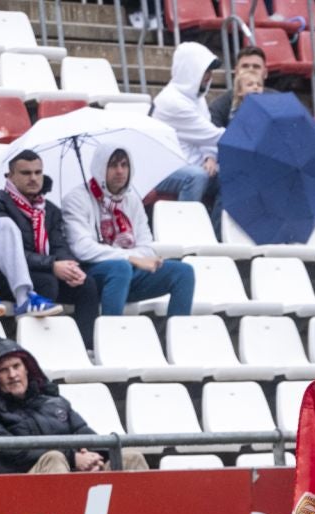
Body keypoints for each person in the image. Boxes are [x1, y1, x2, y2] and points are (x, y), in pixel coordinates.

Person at [0, 151, 103, 342]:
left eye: (38, 172)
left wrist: (69, 265)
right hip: (1, 275)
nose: (33, 178)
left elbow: (59, 244)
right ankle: (37, 344)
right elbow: (6, 252)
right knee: (46, 281)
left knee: (86, 284)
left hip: (40, 269)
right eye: (26, 173)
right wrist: (51, 265)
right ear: (9, 176)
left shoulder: (49, 209)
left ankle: (87, 348)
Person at [59, 147, 196, 321]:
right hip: (92, 273)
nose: (120, 171)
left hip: (130, 271)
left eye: (124, 165)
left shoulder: (132, 200)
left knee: (183, 272)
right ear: (101, 168)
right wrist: (131, 259)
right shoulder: (77, 199)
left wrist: (135, 259)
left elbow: (146, 246)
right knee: (120, 267)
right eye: (113, 165)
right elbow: (82, 249)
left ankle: (179, 338)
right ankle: (112, 336)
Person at [0, 337, 141, 473]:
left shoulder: (55, 402)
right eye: (4, 370)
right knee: (53, 458)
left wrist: (94, 457)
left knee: (130, 457)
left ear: (27, 368)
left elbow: (87, 436)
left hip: (72, 473)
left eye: (16, 366)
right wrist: (73, 458)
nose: (13, 374)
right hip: (21, 491)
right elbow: (12, 457)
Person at [151, 44, 224, 213]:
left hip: (192, 165)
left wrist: (210, 157)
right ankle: (183, 232)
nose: (210, 76)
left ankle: (216, 235)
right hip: (162, 170)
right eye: (205, 71)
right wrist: (250, 139)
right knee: (196, 176)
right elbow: (212, 136)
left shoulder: (197, 98)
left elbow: (207, 139)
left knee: (230, 179)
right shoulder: (172, 101)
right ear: (191, 70)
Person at [207, 44, 266, 128]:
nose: (250, 70)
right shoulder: (220, 106)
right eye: (245, 66)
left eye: (256, 67)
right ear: (236, 71)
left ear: (265, 73)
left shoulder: (277, 100)